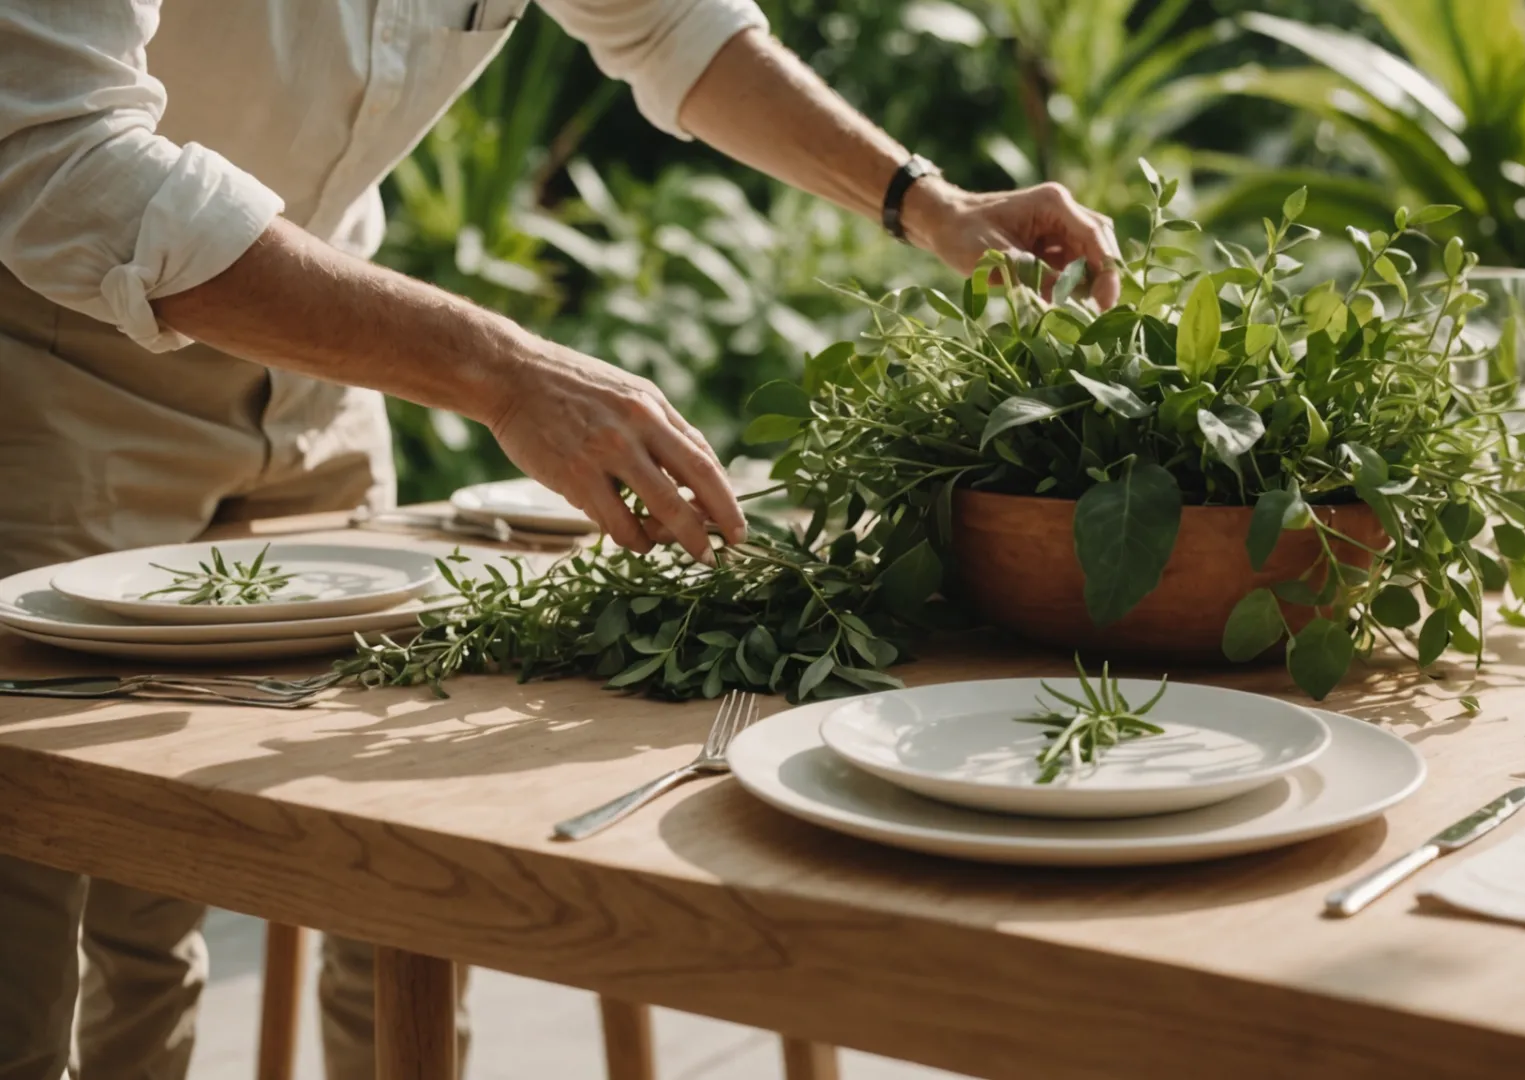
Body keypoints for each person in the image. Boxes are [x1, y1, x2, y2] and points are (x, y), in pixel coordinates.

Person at [0, 2, 1120, 1078]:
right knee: (36, 898)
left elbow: (674, 27)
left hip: (322, 371)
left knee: (375, 874)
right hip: (58, 363)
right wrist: (500, 370)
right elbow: (60, 153)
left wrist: (929, 204)